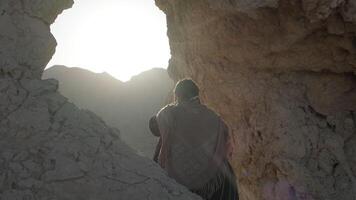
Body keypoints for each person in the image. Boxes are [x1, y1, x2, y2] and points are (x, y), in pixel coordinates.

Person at [150, 79, 239, 200]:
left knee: (163, 142)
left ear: (177, 96)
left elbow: (153, 127)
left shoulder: (168, 113)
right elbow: (227, 147)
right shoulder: (215, 118)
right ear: (197, 95)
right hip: (210, 183)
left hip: (176, 177)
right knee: (225, 170)